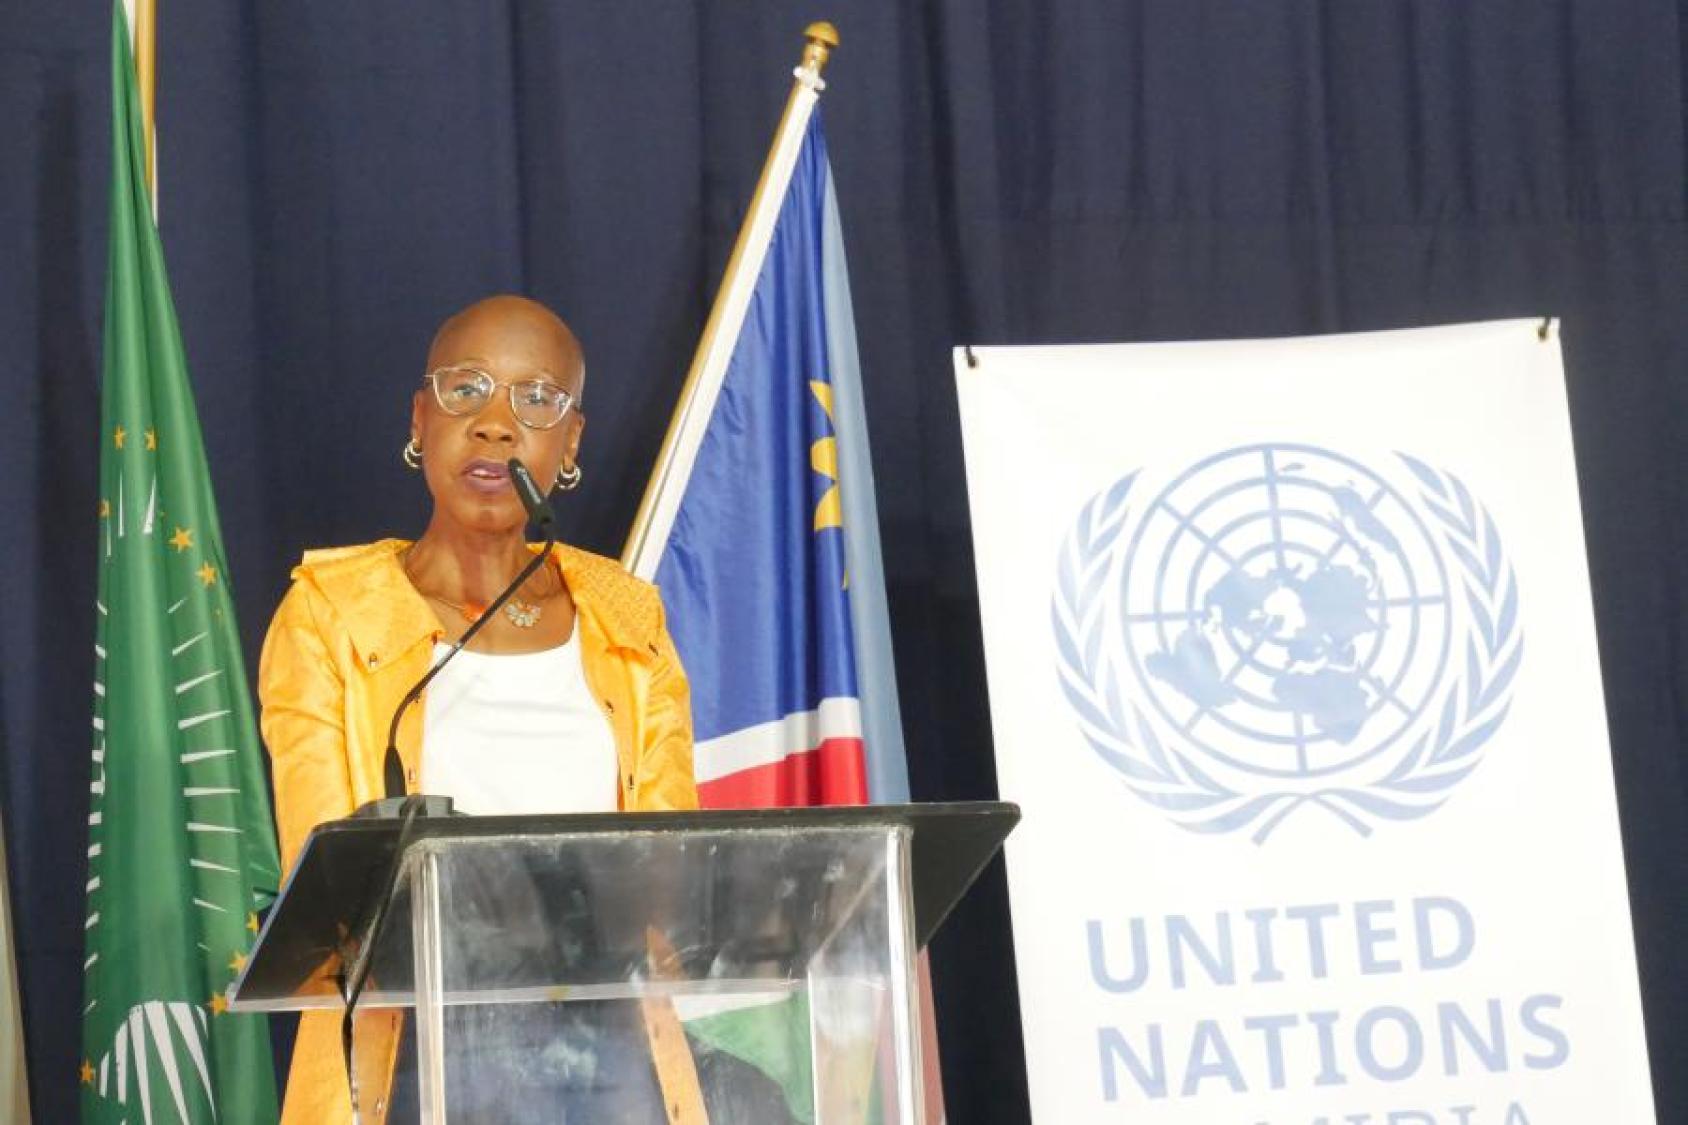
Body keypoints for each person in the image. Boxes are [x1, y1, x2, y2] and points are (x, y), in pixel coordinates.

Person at [258, 295, 701, 1124]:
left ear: (571, 443)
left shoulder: (627, 617)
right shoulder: (332, 614)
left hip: (610, 1069)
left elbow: (671, 874)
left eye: (537, 399)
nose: (497, 424)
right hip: (407, 1065)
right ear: (420, 420)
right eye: (468, 390)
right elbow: (322, 890)